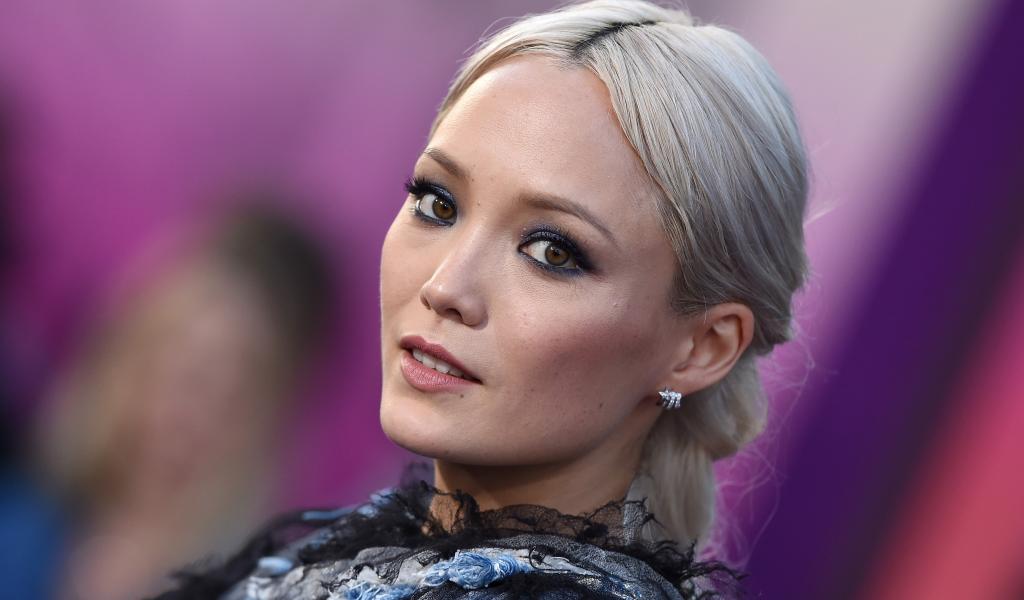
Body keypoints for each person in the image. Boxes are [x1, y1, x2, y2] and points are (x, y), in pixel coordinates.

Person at [156, 0, 809, 597]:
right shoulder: (339, 561)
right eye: (438, 203)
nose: (445, 288)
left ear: (702, 347)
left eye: (552, 252)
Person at [34, 202, 335, 600]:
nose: (180, 411)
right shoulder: (26, 520)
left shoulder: (256, 582)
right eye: (167, 363)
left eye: (224, 391)